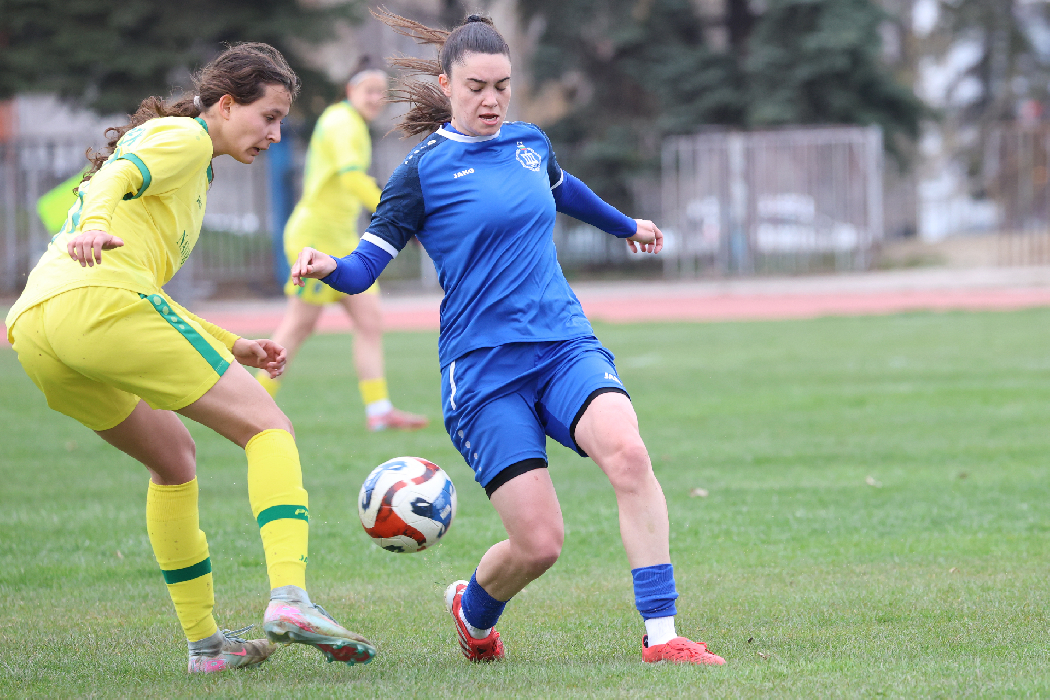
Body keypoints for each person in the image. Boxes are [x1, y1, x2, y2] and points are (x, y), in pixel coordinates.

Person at [291, 12, 726, 666]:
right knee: (539, 544)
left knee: (630, 456)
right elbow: (364, 268)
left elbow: (565, 192)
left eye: (502, 85)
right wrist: (330, 265)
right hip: (484, 372)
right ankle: (473, 609)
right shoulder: (420, 173)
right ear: (447, 85)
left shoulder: (529, 144)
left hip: (562, 344)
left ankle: (661, 637)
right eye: (476, 87)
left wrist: (626, 225)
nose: (491, 100)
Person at [5, 43, 376, 674]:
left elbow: (143, 287)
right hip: (96, 303)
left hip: (38, 329)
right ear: (226, 104)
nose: (275, 134)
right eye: (268, 116)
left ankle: (207, 647)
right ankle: (290, 599)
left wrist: (232, 344)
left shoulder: (186, 160)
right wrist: (93, 223)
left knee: (174, 460)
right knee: (269, 427)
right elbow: (115, 180)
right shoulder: (187, 138)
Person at [256, 57, 428, 433]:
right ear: (351, 91)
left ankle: (379, 410)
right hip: (315, 239)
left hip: (339, 239)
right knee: (299, 325)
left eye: (382, 92)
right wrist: (399, 215)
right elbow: (352, 179)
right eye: (369, 90)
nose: (376, 98)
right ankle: (251, 405)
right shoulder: (342, 122)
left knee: (369, 319)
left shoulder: (351, 123)